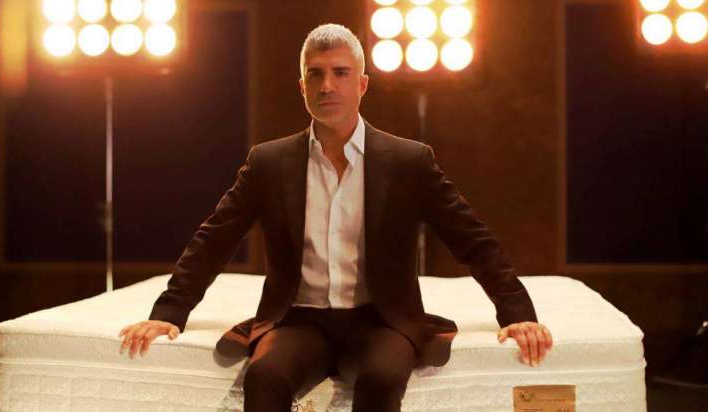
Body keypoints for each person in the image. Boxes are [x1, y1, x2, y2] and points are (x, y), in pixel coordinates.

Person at [118, 23, 553, 412]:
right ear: (302, 86)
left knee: (382, 379)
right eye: (316, 74)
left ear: (362, 84)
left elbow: (471, 239)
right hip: (298, 320)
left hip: (381, 322)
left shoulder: (408, 161)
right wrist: (170, 312)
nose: (327, 85)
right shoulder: (269, 162)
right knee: (264, 376)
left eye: (340, 73)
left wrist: (516, 312)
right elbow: (215, 239)